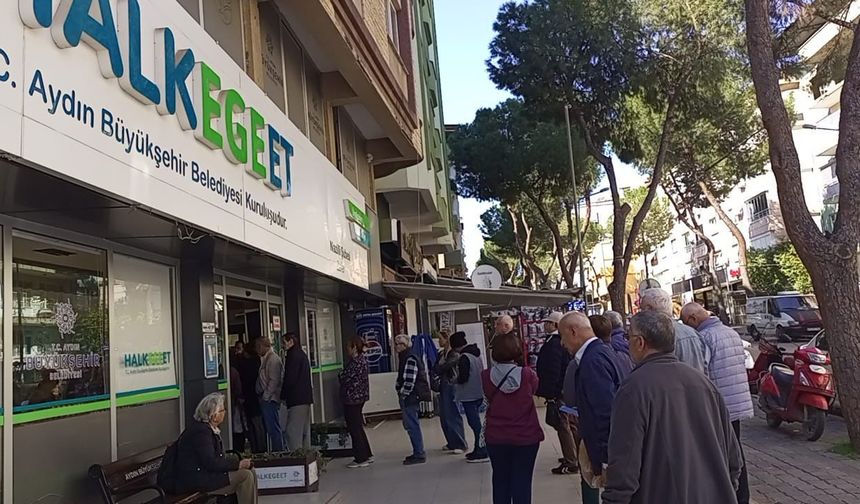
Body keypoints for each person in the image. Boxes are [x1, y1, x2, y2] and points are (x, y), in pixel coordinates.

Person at [602, 311, 743, 504]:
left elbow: (625, 465)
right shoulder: (703, 382)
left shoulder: (634, 388)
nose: (627, 343)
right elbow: (733, 456)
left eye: (629, 337)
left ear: (640, 342)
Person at [681, 302, 755, 504]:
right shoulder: (729, 332)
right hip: (737, 401)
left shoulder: (704, 337)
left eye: (686, 322)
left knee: (722, 454)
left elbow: (703, 371)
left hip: (720, 406)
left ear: (693, 319)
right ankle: (742, 497)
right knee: (736, 450)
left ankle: (729, 495)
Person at [559, 312, 629, 504]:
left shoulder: (593, 360)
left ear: (573, 332)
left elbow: (604, 411)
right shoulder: (604, 351)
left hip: (610, 450)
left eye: (562, 337)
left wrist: (605, 459)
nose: (562, 344)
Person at [482, 332, 545, 504]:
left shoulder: (486, 376)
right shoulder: (527, 375)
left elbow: (487, 396)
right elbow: (533, 390)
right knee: (522, 481)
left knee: (500, 480)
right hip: (526, 435)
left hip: (496, 436)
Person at [174, 393, 257, 504]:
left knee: (250, 470)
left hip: (207, 475)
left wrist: (237, 464)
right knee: (245, 476)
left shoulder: (209, 429)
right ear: (213, 415)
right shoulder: (201, 432)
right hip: (198, 479)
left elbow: (217, 459)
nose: (225, 413)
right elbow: (210, 462)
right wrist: (238, 465)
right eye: (222, 410)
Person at [535, 311, 577, 475]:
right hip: (565, 392)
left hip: (558, 394)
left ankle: (571, 460)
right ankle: (572, 454)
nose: (545, 325)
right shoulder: (559, 342)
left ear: (555, 325)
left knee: (563, 425)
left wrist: (551, 393)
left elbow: (553, 370)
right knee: (569, 423)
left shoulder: (554, 344)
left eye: (548, 323)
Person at [639, 288, 710, 375]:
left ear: (648, 309)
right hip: (698, 386)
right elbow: (706, 366)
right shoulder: (693, 333)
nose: (640, 313)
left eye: (641, 310)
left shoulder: (656, 337)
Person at [450, 331, 489, 463]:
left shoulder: (464, 357)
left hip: (469, 394)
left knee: (475, 424)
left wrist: (455, 380)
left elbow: (463, 378)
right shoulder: (476, 354)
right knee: (476, 423)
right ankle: (478, 448)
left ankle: (482, 450)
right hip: (478, 392)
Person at [393, 334, 432, 465]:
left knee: (412, 425)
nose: (396, 346)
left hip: (410, 396)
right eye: (396, 343)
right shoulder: (405, 357)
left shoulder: (409, 358)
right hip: (410, 395)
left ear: (405, 345)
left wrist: (403, 394)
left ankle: (419, 453)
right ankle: (417, 452)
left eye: (399, 344)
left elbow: (410, 380)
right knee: (410, 424)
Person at [339, 337, 373, 468]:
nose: (347, 349)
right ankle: (367, 453)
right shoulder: (362, 360)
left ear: (354, 348)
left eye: (348, 346)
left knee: (354, 427)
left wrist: (341, 376)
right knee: (358, 426)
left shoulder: (355, 362)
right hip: (359, 397)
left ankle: (361, 457)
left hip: (352, 398)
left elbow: (344, 377)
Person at [434, 330, 468, 454]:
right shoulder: (441, 354)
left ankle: (460, 443)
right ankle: (451, 441)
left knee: (452, 413)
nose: (439, 342)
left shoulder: (454, 354)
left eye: (440, 339)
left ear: (447, 339)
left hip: (450, 384)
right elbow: (436, 368)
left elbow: (443, 367)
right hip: (442, 385)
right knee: (444, 415)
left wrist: (439, 367)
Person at [280, 332, 313, 451]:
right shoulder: (301, 354)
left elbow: (290, 379)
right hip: (305, 398)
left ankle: (297, 459)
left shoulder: (292, 356)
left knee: (292, 432)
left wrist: (283, 395)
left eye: (284, 342)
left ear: (291, 342)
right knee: (304, 432)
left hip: (296, 399)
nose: (282, 346)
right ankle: (307, 458)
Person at [235, 338, 266, 452]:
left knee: (253, 425)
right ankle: (260, 449)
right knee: (258, 424)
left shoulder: (244, 364)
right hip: (256, 397)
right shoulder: (259, 362)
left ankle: (257, 448)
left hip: (249, 398)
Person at [256, 337, 284, 452]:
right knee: (271, 427)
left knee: (273, 427)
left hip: (270, 399)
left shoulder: (273, 360)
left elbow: (274, 380)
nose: (257, 350)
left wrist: (266, 396)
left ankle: (279, 452)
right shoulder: (266, 359)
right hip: (266, 397)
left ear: (264, 346)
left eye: (258, 347)